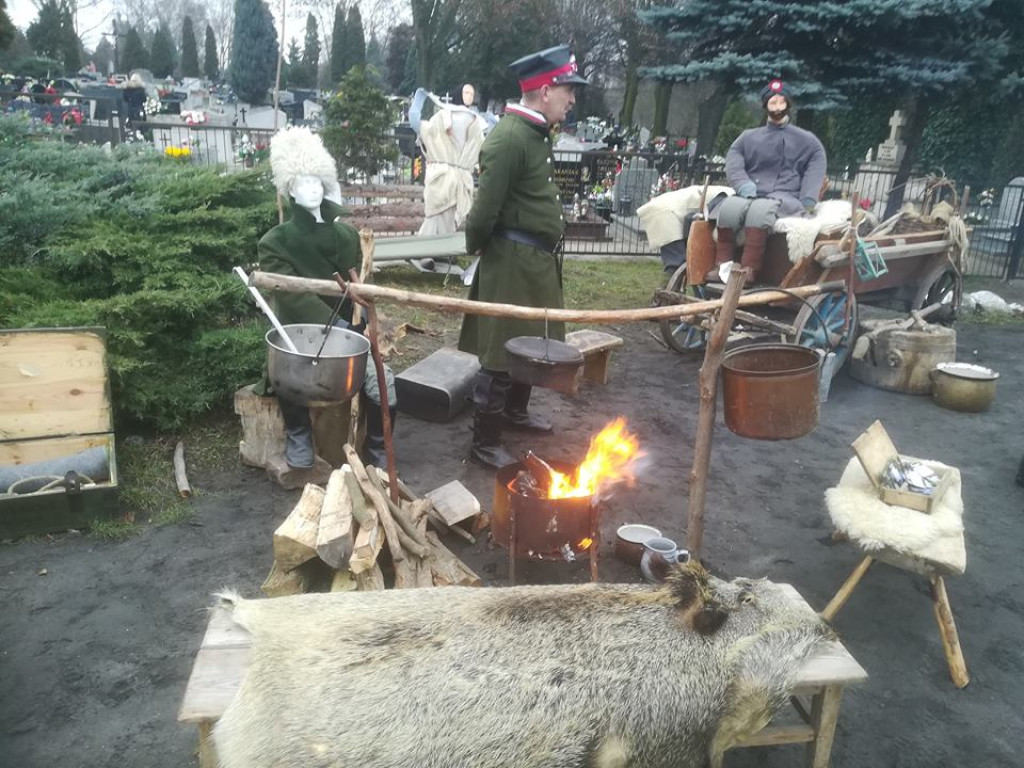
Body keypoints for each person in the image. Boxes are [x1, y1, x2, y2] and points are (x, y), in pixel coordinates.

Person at [458, 44, 588, 470]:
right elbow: (483, 212)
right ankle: (484, 441)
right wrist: (477, 246)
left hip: (533, 263)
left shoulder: (533, 134)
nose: (572, 99)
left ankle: (514, 413)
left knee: (530, 341)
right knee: (499, 353)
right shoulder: (510, 138)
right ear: (546, 89)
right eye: (568, 90)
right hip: (512, 263)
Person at [257, 127, 396, 471]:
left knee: (385, 385)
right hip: (303, 335)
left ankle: (379, 448)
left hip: (349, 335)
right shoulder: (275, 242)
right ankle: (299, 434)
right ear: (289, 189)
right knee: (290, 371)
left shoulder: (347, 236)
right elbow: (292, 298)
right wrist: (336, 328)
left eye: (317, 181)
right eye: (303, 182)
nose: (312, 188)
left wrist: (359, 327)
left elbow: (362, 288)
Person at [713, 79, 827, 283]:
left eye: (781, 102)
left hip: (786, 197)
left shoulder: (806, 140)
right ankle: (723, 265)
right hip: (751, 192)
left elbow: (817, 162)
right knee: (729, 208)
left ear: (788, 106)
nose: (777, 107)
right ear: (766, 106)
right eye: (772, 103)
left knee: (760, 211)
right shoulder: (749, 137)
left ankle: (748, 270)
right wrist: (743, 184)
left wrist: (808, 197)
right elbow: (734, 158)